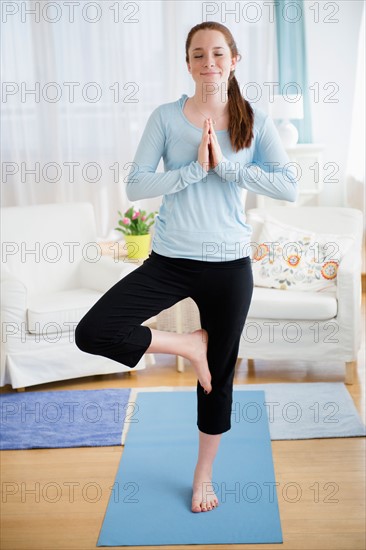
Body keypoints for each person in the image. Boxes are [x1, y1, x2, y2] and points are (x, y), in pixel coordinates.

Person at [75, 21, 298, 514]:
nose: (209, 62)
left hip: (229, 266)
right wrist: (193, 171)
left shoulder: (254, 119)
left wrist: (227, 167)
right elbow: (135, 185)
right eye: (198, 55)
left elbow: (289, 187)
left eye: (218, 53)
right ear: (188, 63)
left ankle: (203, 476)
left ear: (234, 60)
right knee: (93, 331)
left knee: (216, 377)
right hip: (171, 260)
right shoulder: (166, 117)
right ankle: (185, 344)